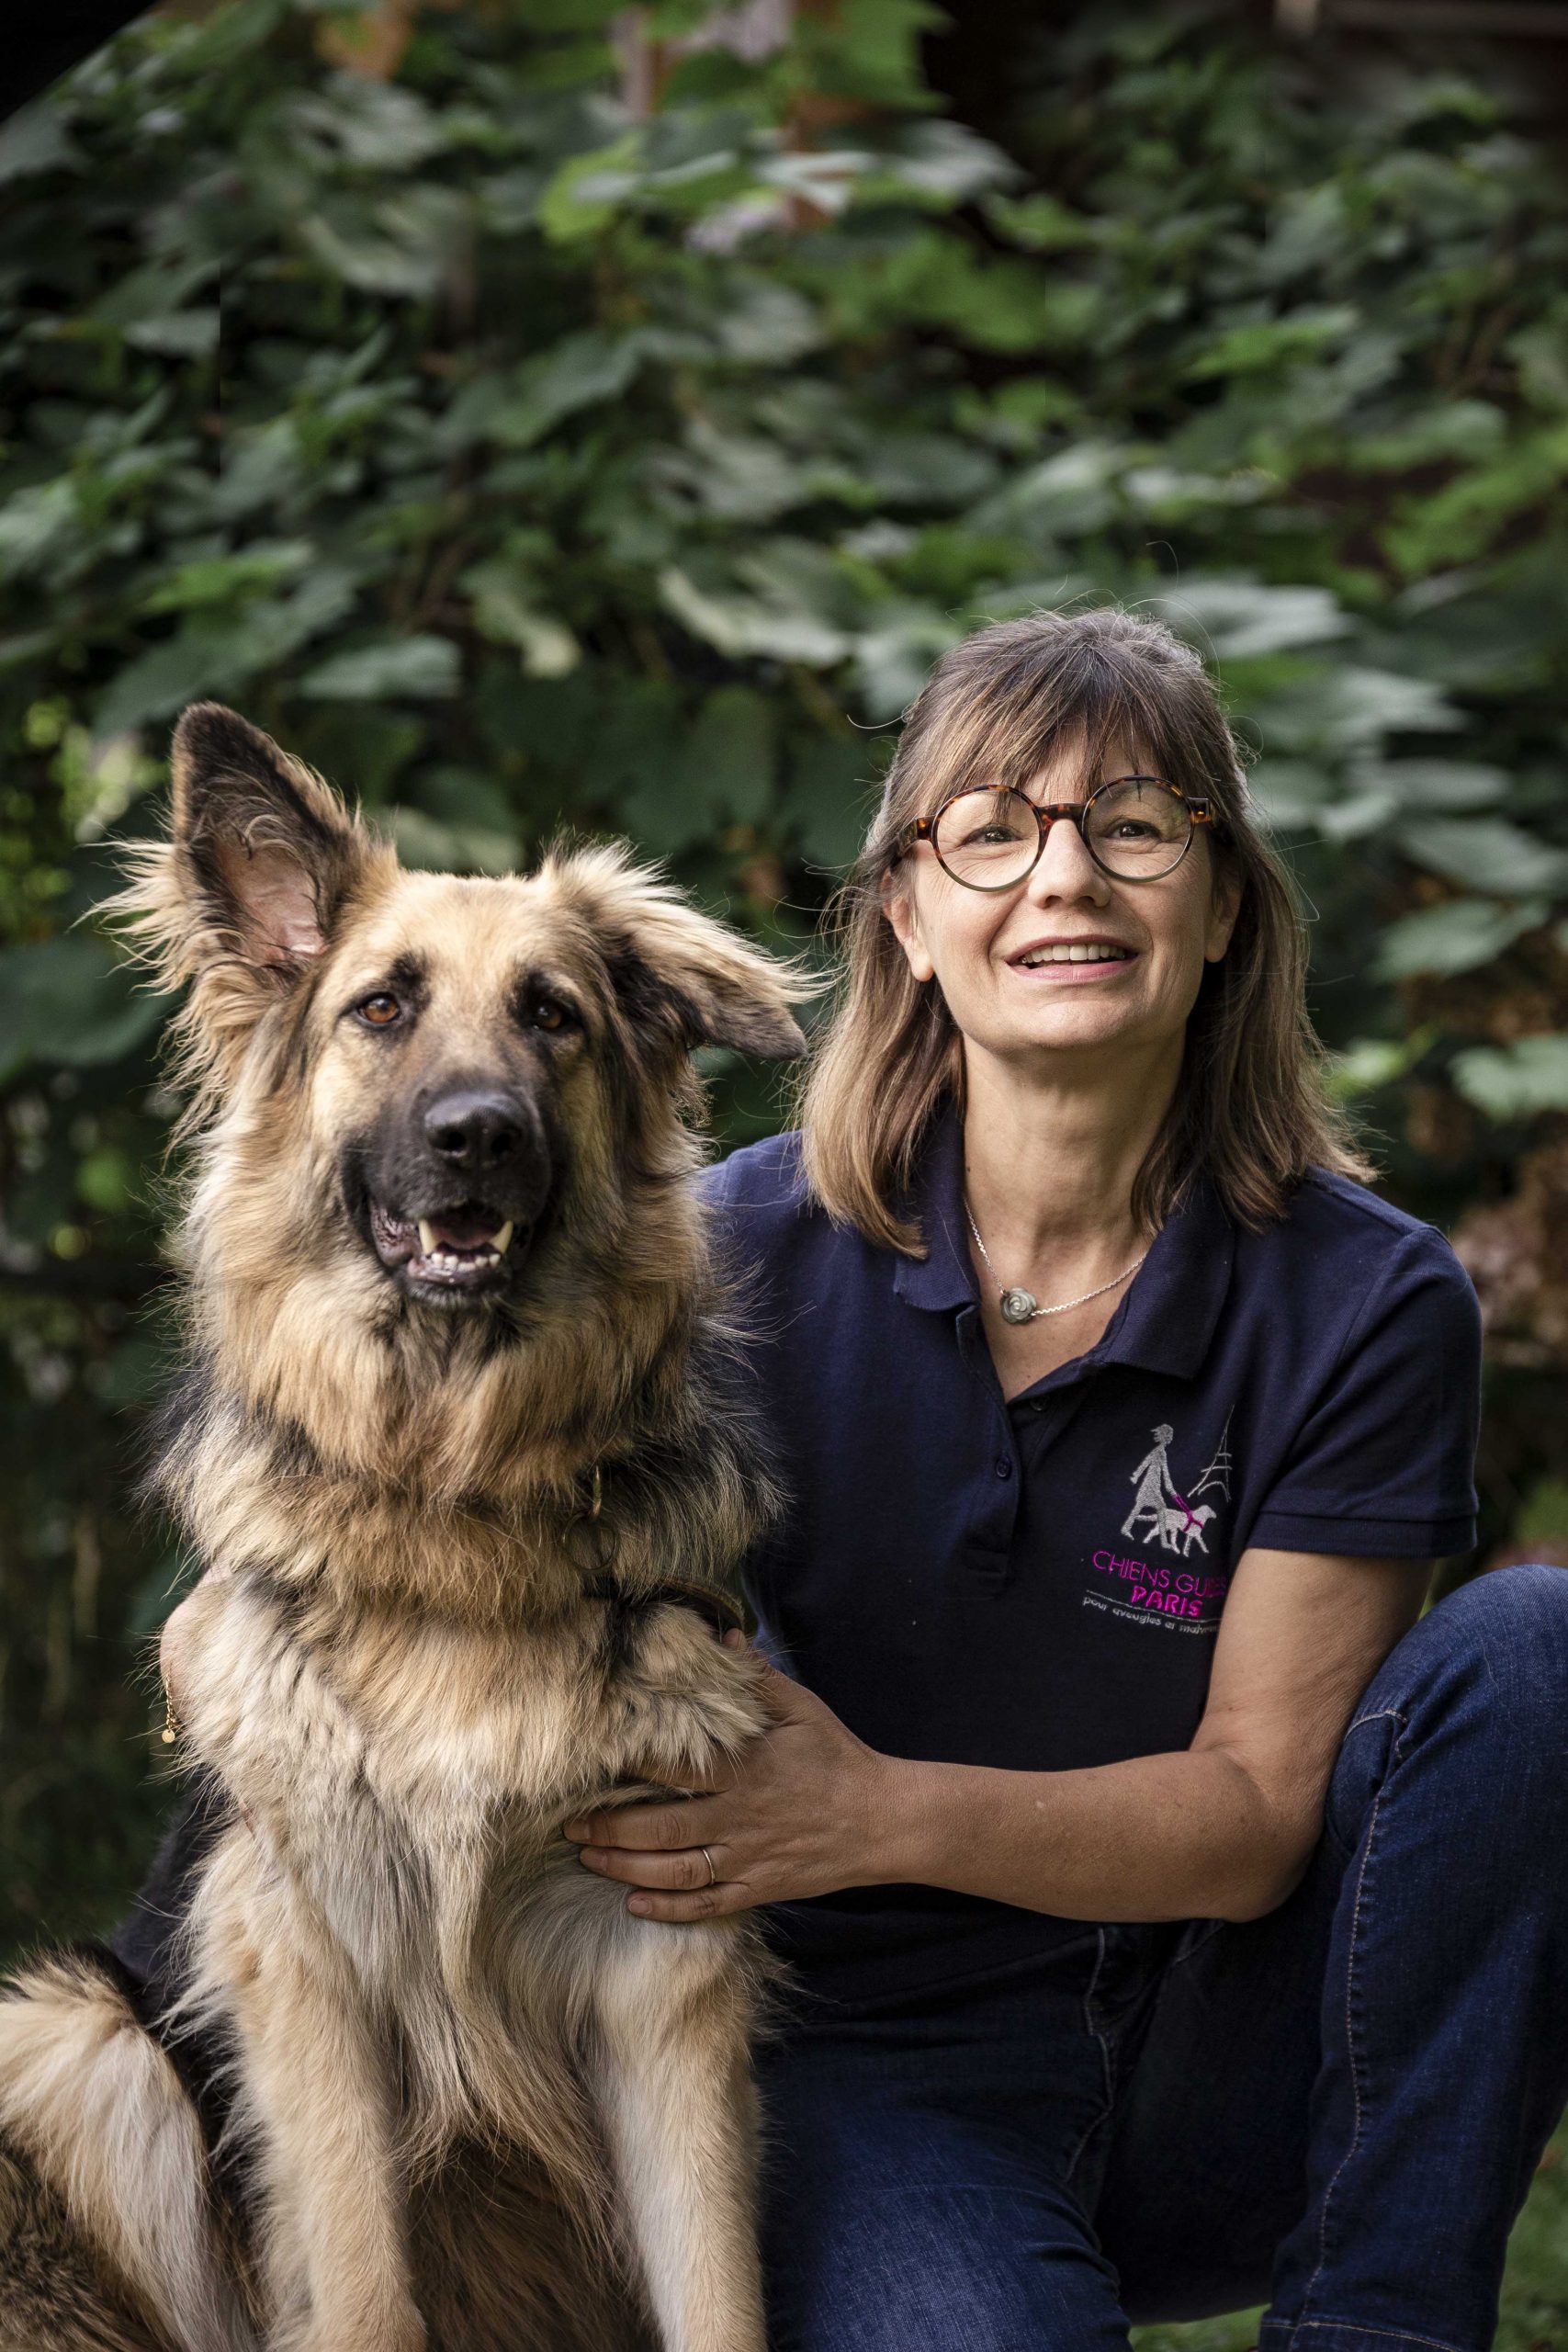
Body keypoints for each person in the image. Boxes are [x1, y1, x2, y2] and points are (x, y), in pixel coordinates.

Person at [560, 606, 1568, 2351]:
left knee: (1542, 1656)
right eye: (994, 830)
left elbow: (1258, 1819)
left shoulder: (1366, 1294)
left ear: (1225, 899)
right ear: (909, 913)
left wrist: (877, 1809)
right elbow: (408, 1530)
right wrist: (222, 1643)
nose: (1067, 882)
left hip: (1226, 2051)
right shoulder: (716, 1260)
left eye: (1135, 826)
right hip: (869, 2073)